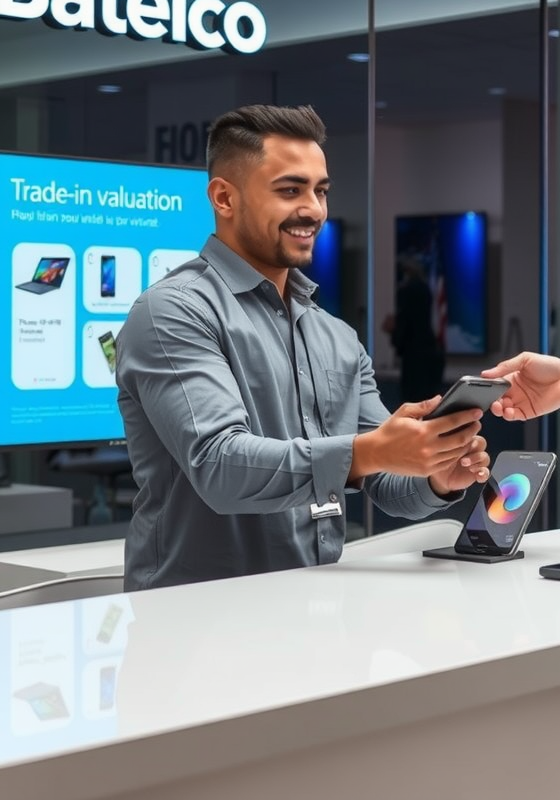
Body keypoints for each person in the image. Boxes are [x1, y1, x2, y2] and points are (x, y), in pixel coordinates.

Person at [117, 104, 490, 590]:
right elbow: (218, 464)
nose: (313, 208)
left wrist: (436, 474)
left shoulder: (334, 335)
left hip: (314, 609)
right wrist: (366, 453)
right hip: (196, 623)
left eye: (320, 191)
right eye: (290, 190)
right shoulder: (172, 312)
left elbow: (387, 484)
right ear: (224, 198)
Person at [382, 254, 445, 403]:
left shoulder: (408, 291)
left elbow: (406, 324)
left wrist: (393, 331)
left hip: (415, 359)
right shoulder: (426, 289)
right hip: (431, 354)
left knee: (414, 402)